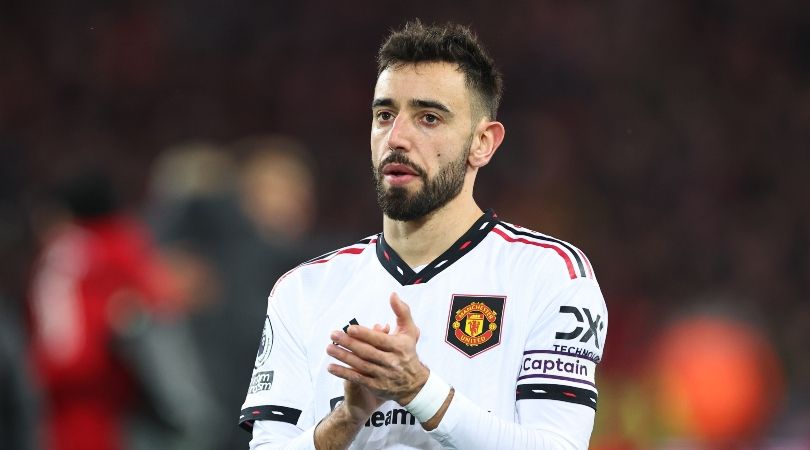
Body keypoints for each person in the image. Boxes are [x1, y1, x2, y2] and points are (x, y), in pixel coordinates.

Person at [240, 20, 607, 449]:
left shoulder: (550, 275)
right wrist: (348, 418)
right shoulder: (302, 291)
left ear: (483, 143)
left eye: (428, 118)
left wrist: (419, 391)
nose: (397, 137)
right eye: (384, 115)